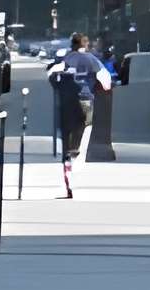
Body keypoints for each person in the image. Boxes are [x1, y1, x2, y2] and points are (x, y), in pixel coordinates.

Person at [47, 33, 112, 198]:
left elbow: (52, 73)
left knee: (66, 138)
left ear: (72, 45)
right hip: (85, 100)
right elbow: (106, 80)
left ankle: (67, 171)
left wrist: (57, 86)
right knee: (86, 129)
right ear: (86, 45)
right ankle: (78, 157)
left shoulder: (67, 58)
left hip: (67, 102)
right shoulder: (91, 60)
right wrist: (102, 87)